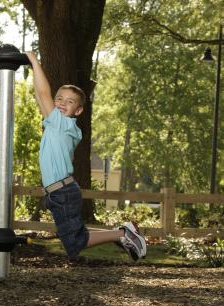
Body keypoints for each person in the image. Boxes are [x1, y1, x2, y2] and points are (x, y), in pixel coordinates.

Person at [26, 51, 147, 261]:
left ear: (79, 110)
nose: (63, 103)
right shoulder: (57, 124)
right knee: (76, 236)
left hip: (62, 192)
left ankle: (123, 233)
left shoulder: (62, 124)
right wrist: (31, 68)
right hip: (59, 192)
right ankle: (122, 234)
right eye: (60, 99)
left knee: (74, 243)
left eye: (70, 102)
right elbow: (40, 95)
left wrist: (34, 60)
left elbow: (43, 93)